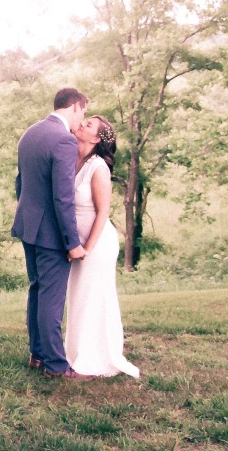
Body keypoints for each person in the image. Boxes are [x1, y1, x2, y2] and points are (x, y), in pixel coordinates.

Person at [11, 87, 92, 381]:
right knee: (52, 298)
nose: (81, 120)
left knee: (36, 289)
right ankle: (56, 366)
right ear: (74, 107)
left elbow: (21, 183)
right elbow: (63, 198)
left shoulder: (30, 133)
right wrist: (72, 242)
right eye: (82, 112)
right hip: (50, 234)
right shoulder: (64, 141)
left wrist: (28, 215)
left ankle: (37, 354)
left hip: (28, 226)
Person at [63, 115, 139, 378]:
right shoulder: (71, 159)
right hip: (76, 244)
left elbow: (103, 211)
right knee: (78, 297)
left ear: (96, 139)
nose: (81, 124)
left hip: (97, 244)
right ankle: (74, 353)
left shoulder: (98, 168)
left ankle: (96, 357)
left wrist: (87, 248)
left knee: (94, 298)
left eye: (89, 125)